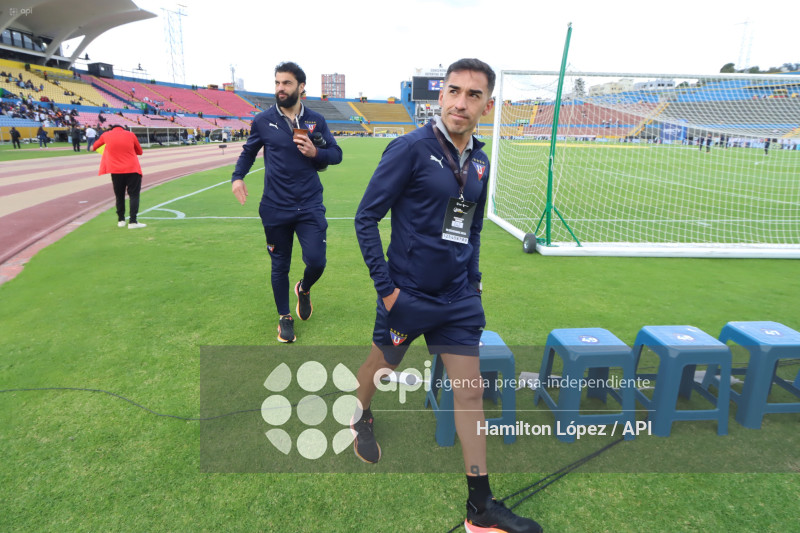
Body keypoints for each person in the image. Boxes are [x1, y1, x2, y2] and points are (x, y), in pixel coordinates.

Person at [352, 58, 543, 533]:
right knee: (382, 366)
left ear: (488, 105)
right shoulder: (410, 149)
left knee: (470, 393)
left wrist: (473, 281)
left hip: (458, 299)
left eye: (473, 95)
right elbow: (365, 218)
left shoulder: (480, 161)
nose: (461, 102)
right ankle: (360, 414)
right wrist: (388, 291)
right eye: (453, 91)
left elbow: (471, 230)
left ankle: (480, 506)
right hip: (408, 296)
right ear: (440, 96)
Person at [230, 61, 343, 343]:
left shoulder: (316, 120)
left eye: (287, 83)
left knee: (317, 261)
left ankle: (303, 289)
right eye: (278, 83)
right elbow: (248, 152)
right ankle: (284, 317)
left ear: (301, 87)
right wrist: (238, 177)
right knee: (279, 265)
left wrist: (316, 152)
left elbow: (336, 154)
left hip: (309, 205)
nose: (280, 88)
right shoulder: (262, 120)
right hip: (275, 207)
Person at [91, 125, 147, 229]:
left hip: (116, 171)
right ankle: (133, 222)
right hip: (132, 169)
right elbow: (140, 151)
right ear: (123, 128)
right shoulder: (130, 134)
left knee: (119, 195)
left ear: (111, 128)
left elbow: (94, 147)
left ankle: (121, 220)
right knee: (134, 195)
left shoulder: (105, 135)